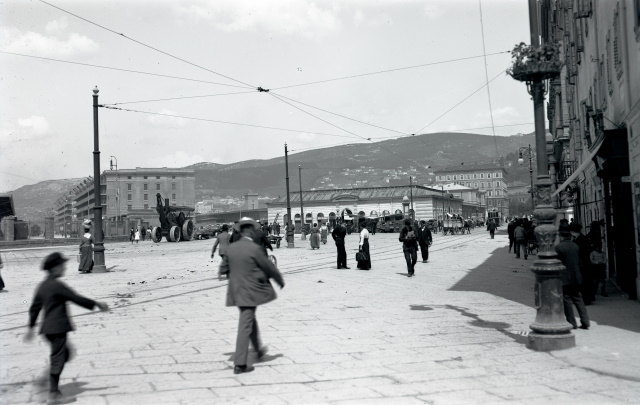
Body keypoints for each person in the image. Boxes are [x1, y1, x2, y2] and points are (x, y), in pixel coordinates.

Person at [25, 252, 109, 404]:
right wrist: (97, 304)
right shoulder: (57, 285)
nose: (64, 268)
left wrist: (31, 327)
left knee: (65, 354)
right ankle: (53, 395)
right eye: (62, 265)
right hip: (57, 328)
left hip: (48, 329)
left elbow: (34, 308)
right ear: (55, 268)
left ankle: (46, 380)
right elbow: (76, 298)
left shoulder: (42, 286)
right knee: (58, 358)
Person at [218, 218, 284, 375]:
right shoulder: (254, 248)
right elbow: (268, 267)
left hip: (236, 291)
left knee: (249, 320)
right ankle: (240, 364)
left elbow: (223, 268)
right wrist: (279, 280)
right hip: (249, 292)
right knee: (245, 325)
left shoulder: (232, 248)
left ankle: (258, 350)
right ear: (249, 231)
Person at [555, 224, 590, 329]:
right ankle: (585, 321)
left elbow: (557, 263)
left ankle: (572, 322)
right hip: (577, 276)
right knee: (578, 298)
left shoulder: (559, 247)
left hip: (565, 277)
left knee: (566, 299)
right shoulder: (575, 246)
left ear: (561, 236)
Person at [571, 223, 594, 305]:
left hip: (582, 263)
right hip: (583, 263)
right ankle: (587, 298)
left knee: (584, 282)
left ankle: (586, 299)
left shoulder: (579, 240)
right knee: (584, 282)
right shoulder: (581, 238)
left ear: (573, 231)